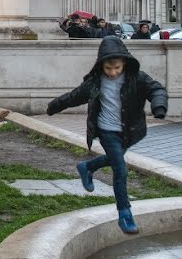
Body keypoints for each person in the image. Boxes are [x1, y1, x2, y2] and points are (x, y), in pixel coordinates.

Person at [46, 36, 167, 234]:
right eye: (108, 68)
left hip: (128, 132)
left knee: (113, 159)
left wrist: (158, 106)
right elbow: (73, 96)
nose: (112, 73)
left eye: (117, 68)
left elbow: (156, 89)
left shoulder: (137, 78)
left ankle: (87, 167)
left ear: (124, 64)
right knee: (120, 169)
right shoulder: (95, 83)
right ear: (101, 65)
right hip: (106, 130)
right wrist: (54, 106)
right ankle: (125, 214)